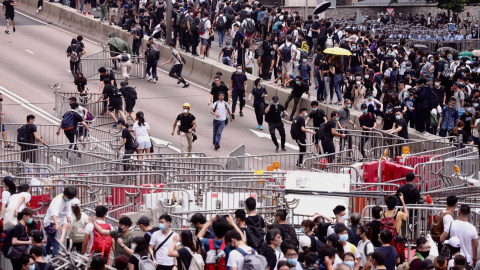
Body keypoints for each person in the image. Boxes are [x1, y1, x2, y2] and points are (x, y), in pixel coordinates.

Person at [44, 186, 77, 257]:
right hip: (51, 223)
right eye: (69, 198)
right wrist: (56, 224)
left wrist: (69, 222)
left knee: (49, 243)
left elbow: (68, 212)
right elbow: (54, 213)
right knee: (56, 244)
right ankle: (54, 261)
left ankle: (43, 257)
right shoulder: (57, 201)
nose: (70, 200)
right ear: (65, 195)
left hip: (58, 222)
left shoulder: (68, 201)